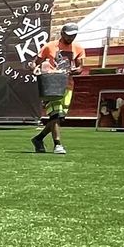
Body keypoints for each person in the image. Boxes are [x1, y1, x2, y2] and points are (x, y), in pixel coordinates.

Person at [32, 22, 86, 155]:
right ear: (62, 33)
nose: (70, 38)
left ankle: (38, 138)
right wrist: (35, 70)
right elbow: (35, 62)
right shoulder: (50, 46)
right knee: (55, 114)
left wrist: (75, 70)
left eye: (73, 36)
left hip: (67, 85)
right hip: (51, 84)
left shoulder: (78, 48)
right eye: (68, 36)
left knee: (59, 117)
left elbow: (80, 68)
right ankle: (58, 144)